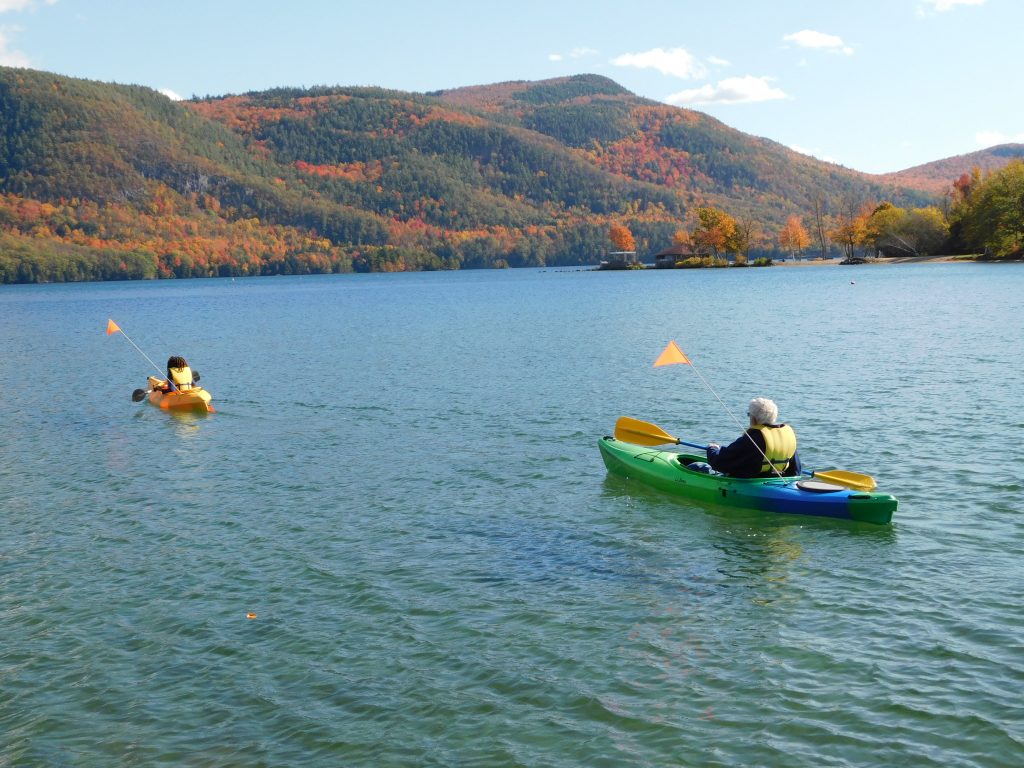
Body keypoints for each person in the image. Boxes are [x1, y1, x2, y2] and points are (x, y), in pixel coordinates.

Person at [702, 397, 801, 478]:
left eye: (749, 415)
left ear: (753, 419)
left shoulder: (753, 438)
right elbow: (796, 471)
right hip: (778, 481)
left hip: (749, 483)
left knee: (697, 466)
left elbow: (719, 462)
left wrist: (712, 448)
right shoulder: (786, 435)